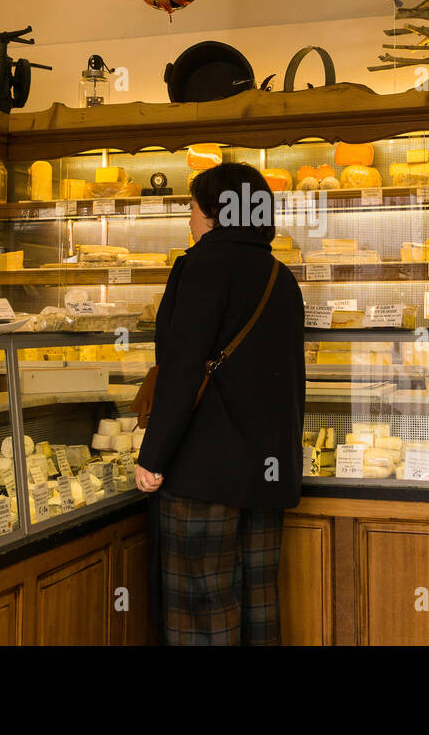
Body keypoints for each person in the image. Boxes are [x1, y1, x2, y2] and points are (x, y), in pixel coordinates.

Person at [136, 162, 305, 645]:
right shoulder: (281, 277)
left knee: (203, 605)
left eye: (192, 206)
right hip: (268, 471)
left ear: (215, 211)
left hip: (204, 471)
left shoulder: (201, 266)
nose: (188, 218)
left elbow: (183, 368)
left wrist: (153, 455)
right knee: (259, 602)